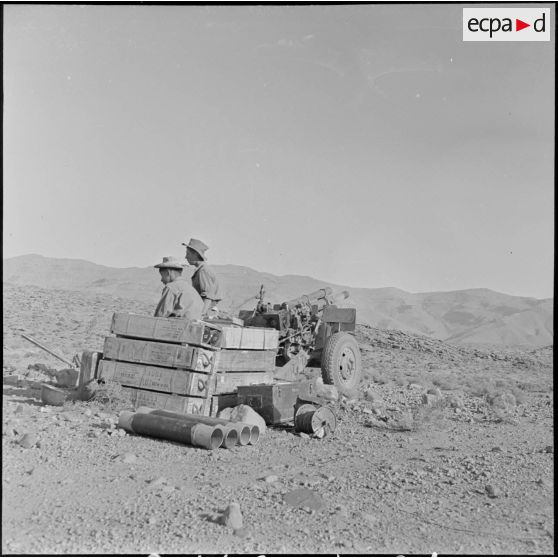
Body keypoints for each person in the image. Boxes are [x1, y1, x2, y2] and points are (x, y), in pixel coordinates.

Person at [182, 238, 222, 317]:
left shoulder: (203, 271)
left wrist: (200, 316)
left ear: (195, 254)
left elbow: (207, 297)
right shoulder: (201, 270)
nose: (185, 257)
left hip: (206, 313)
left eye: (188, 253)